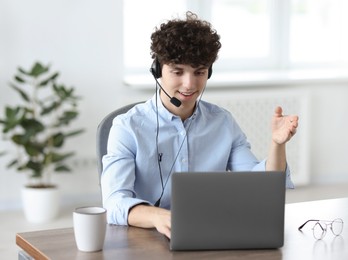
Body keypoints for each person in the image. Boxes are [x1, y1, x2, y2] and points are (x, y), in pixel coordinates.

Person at [101, 11, 299, 239]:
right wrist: (158, 216)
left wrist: (277, 144)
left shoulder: (222, 122)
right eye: (177, 71)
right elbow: (115, 202)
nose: (189, 84)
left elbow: (260, 187)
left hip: (209, 233)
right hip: (146, 237)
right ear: (158, 70)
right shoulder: (127, 127)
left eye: (199, 72)